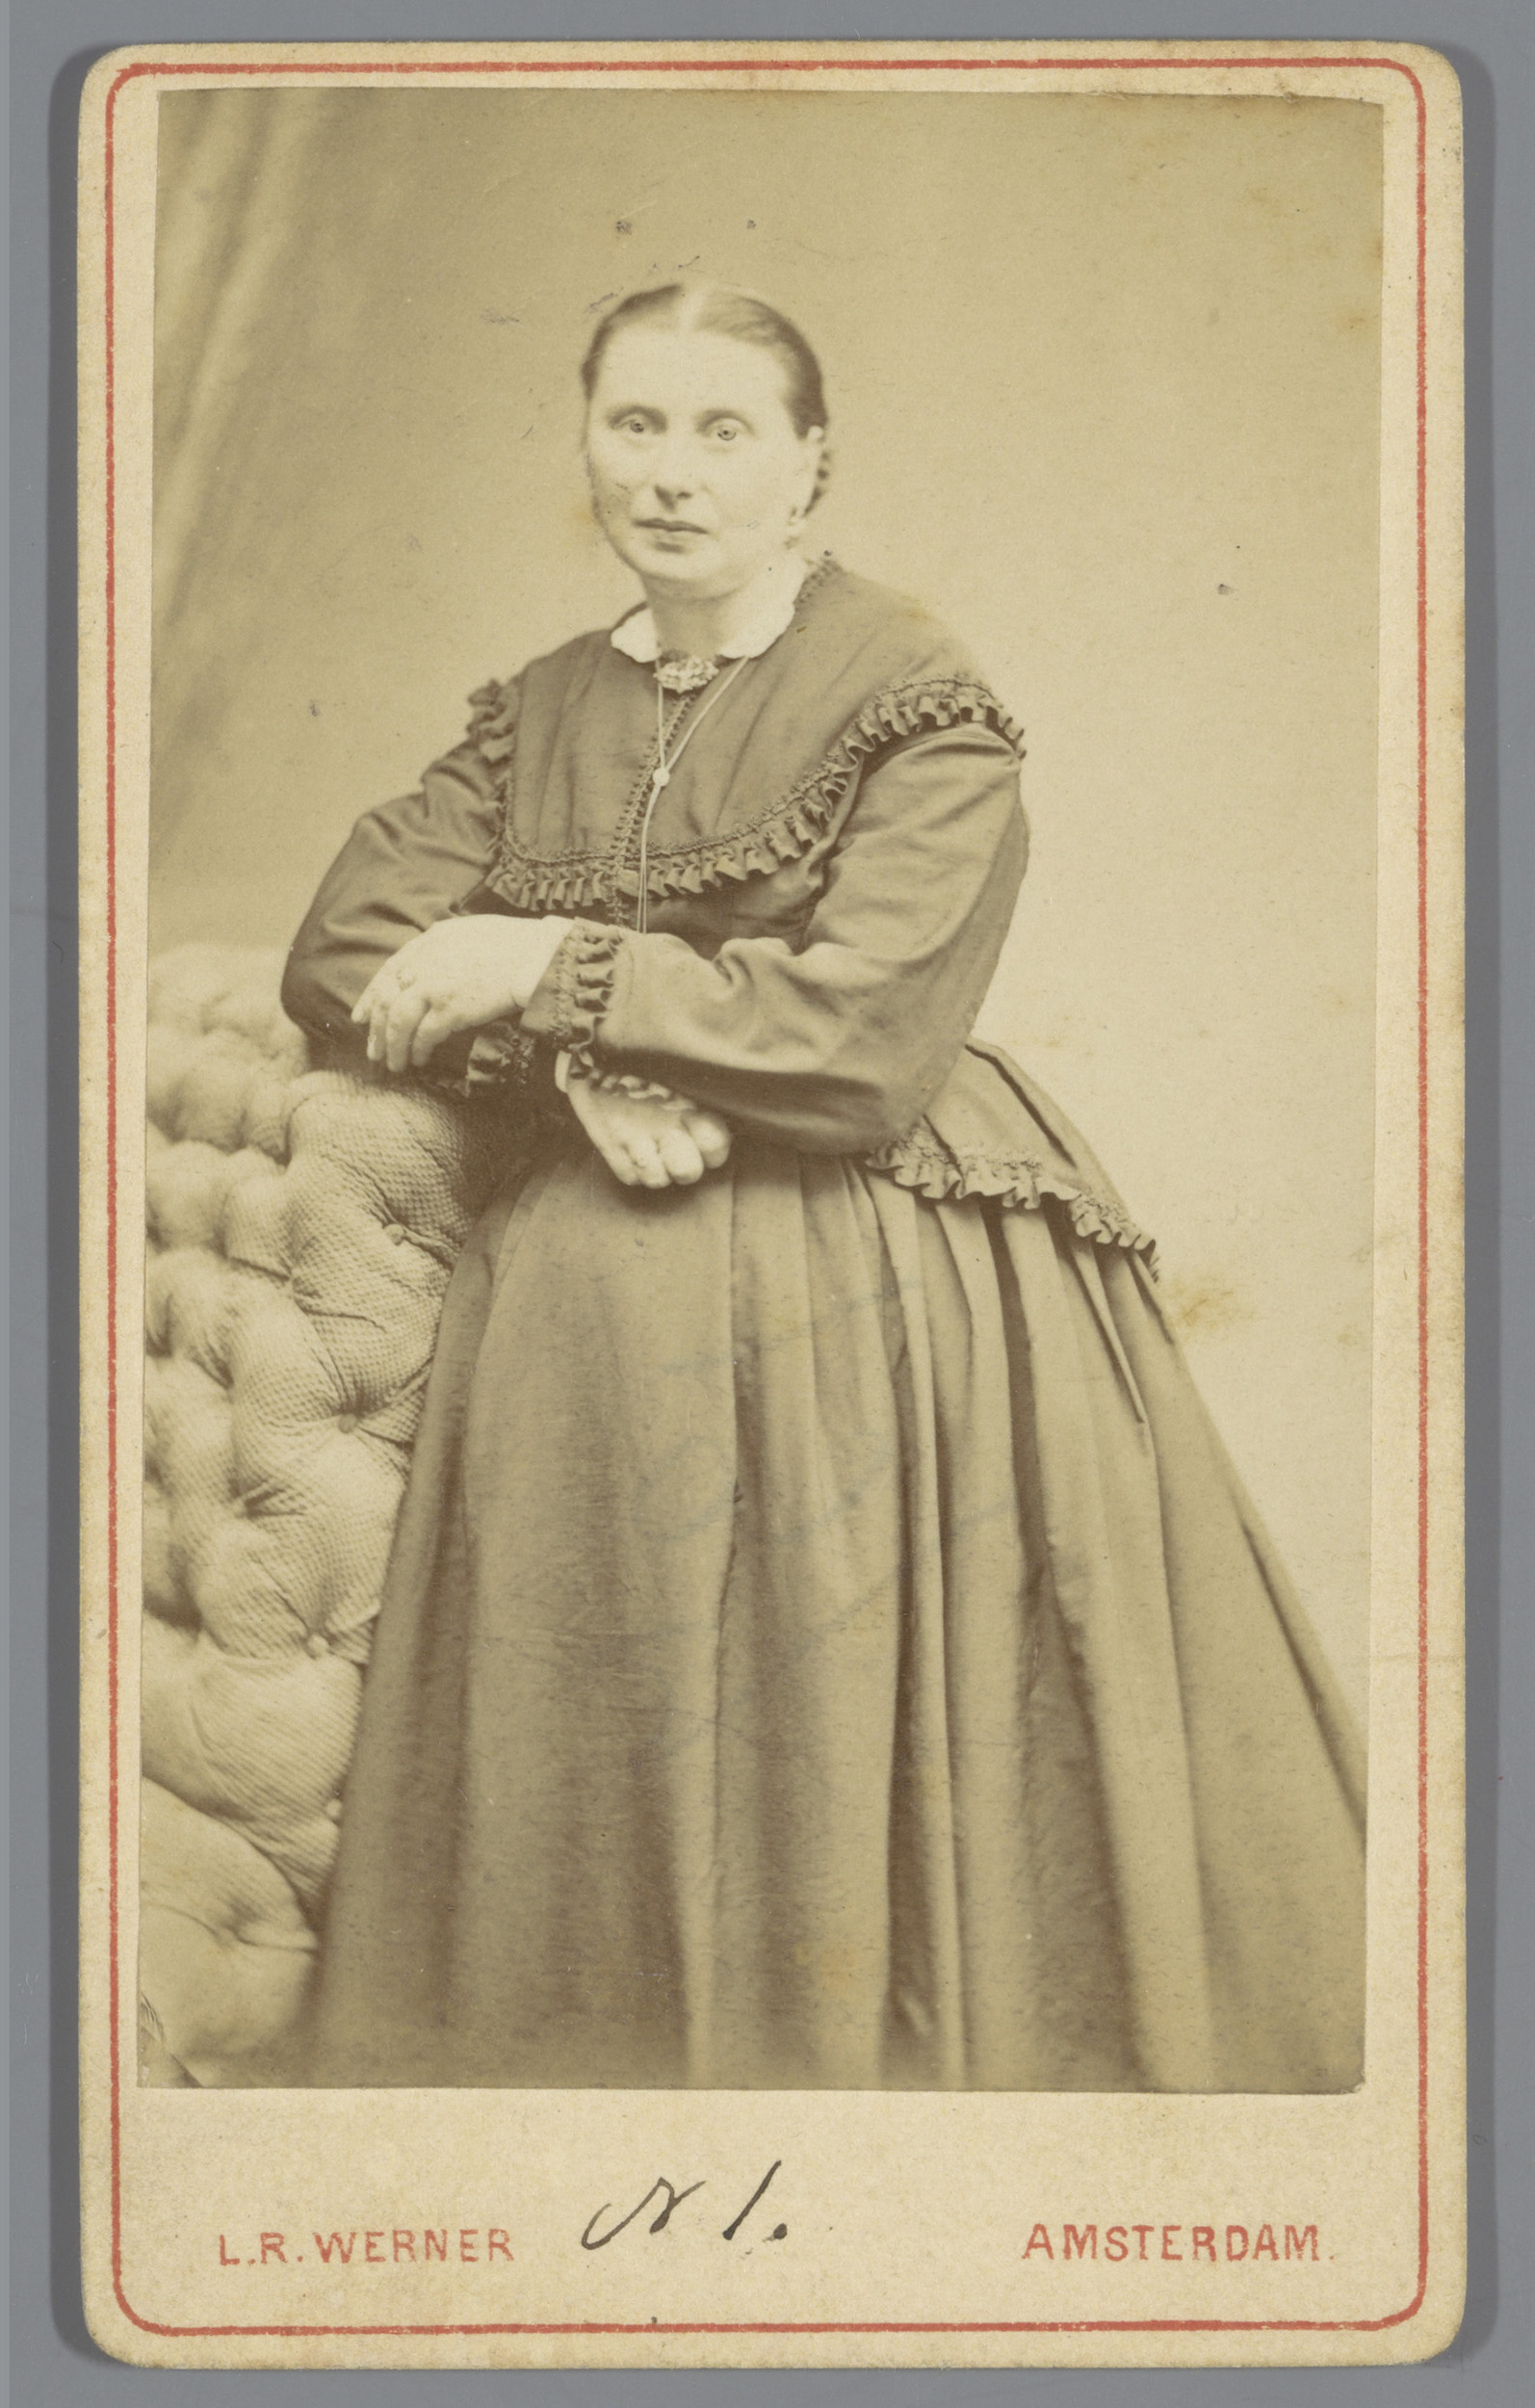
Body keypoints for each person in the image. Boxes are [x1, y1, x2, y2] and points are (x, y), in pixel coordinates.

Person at [285, 281, 1365, 2093]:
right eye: (635, 425)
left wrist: (549, 965)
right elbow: (344, 945)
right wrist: (572, 1064)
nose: (672, 474)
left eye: (724, 431)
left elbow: (863, 1038)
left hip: (882, 1255)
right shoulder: (540, 709)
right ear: (588, 448)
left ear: (808, 465)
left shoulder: (913, 693)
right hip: (596, 1283)